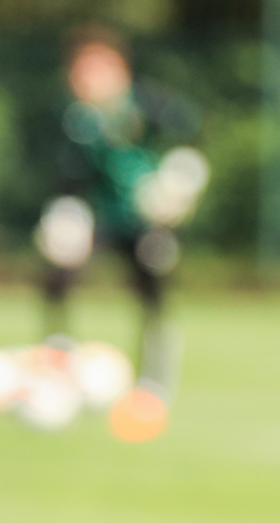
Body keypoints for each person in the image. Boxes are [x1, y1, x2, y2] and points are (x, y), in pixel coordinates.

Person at [37, 26, 202, 401]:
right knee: (60, 271)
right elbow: (68, 175)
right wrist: (63, 212)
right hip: (98, 214)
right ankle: (57, 358)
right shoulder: (75, 118)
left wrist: (176, 185)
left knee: (153, 287)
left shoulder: (148, 104)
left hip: (145, 216)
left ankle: (156, 374)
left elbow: (188, 137)